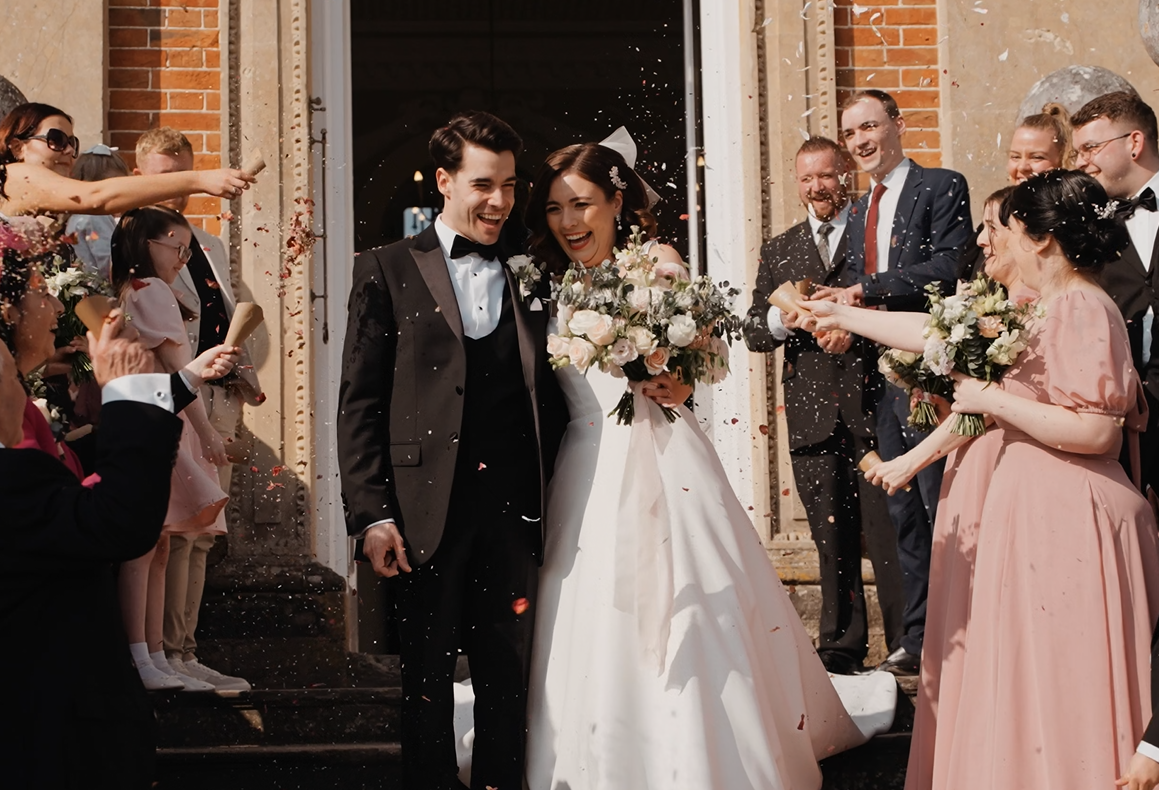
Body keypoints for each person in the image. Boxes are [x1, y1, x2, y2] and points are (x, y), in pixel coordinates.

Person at [520, 136, 895, 790]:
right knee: (586, 603)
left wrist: (678, 377)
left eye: (580, 204)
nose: (568, 222)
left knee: (691, 601)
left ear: (615, 200)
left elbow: (706, 353)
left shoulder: (657, 264)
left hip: (663, 452)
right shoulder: (547, 282)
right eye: (554, 209)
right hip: (582, 464)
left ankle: (702, 749)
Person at [337, 111, 569, 790]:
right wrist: (370, 513)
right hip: (418, 512)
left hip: (516, 510)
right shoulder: (384, 268)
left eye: (507, 185)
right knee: (426, 678)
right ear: (443, 181)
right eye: (481, 184)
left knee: (508, 672)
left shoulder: (535, 268)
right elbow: (360, 400)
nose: (498, 200)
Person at [940, 169, 1159, 788]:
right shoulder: (1051, 307)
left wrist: (991, 399)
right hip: (1040, 514)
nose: (1000, 240)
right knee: (1033, 682)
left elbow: (1098, 432)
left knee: (1069, 684)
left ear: (1039, 239)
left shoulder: (1084, 307)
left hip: (1073, 520)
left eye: (1008, 227)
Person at [806, 186, 1026, 790]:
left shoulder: (1036, 311)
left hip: (1016, 474)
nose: (980, 242)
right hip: (974, 462)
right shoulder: (997, 303)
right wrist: (844, 314)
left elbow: (995, 400)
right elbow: (934, 333)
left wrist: (911, 461)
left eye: (992, 228)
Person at [0, 237, 237, 788]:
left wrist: (157, 390)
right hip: (44, 723)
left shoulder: (28, 427)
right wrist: (126, 388)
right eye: (40, 292)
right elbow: (112, 519)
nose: (58, 307)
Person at [821, 89, 973, 676]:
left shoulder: (941, 185)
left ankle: (962, 631)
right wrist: (842, 325)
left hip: (929, 371)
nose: (860, 142)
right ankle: (917, 638)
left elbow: (950, 266)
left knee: (941, 504)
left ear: (897, 125)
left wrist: (864, 293)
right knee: (902, 510)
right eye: (850, 134)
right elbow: (857, 286)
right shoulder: (859, 211)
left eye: (869, 127)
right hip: (878, 378)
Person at [742, 135, 905, 676]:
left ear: (845, 176)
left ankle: (907, 642)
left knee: (888, 533)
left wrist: (854, 334)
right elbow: (751, 332)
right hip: (813, 414)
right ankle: (840, 646)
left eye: (827, 175)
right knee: (830, 537)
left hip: (874, 403)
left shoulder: (873, 236)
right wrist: (782, 320)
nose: (818, 187)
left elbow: (897, 307)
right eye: (807, 178)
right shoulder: (780, 248)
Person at [135, 126, 263, 693]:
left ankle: (186, 652)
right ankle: (162, 653)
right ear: (139, 174)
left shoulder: (207, 244)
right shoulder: (128, 240)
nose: (175, 195)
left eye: (185, 182)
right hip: (169, 397)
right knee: (171, 531)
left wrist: (240, 370)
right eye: (166, 180)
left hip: (218, 393)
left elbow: (231, 310)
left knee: (204, 530)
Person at [111, 206, 234, 692]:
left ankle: (155, 655)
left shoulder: (133, 291)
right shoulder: (154, 291)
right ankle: (145, 656)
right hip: (166, 422)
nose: (183, 260)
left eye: (188, 250)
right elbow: (185, 371)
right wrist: (207, 433)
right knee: (148, 545)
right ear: (147, 245)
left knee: (157, 544)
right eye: (176, 247)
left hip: (151, 416)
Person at [1071, 91, 1159, 496]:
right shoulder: (1088, 229)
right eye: (1077, 152)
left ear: (1135, 143)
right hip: (1132, 418)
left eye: (1090, 147)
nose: (1080, 162)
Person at [0, 102, 251, 219]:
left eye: (72, 142)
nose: (67, 150)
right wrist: (199, 179)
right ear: (18, 147)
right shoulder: (14, 175)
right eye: (56, 139)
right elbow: (95, 196)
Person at [960, 104, 1071, 280]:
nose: (1022, 167)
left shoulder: (1069, 224)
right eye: (1015, 157)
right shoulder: (996, 216)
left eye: (1037, 157)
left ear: (1062, 159)